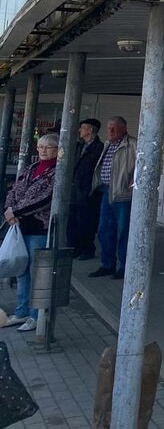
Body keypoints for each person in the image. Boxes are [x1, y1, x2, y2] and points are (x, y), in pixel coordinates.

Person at [3, 133, 59, 331]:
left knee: (37, 273)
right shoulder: (31, 169)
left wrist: (15, 211)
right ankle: (21, 311)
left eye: (49, 147)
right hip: (19, 226)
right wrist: (9, 210)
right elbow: (14, 190)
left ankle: (35, 316)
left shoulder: (56, 173)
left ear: (57, 150)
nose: (43, 150)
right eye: (41, 147)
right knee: (21, 270)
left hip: (38, 228)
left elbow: (43, 199)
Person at [88, 117, 136, 280]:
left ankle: (124, 267)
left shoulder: (132, 145)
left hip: (123, 195)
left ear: (124, 128)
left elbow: (144, 166)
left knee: (124, 231)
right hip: (106, 191)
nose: (110, 131)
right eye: (109, 128)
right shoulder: (108, 145)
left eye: (114, 128)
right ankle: (107, 264)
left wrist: (135, 182)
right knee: (104, 230)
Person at [68, 119, 103, 260]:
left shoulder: (99, 148)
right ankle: (75, 248)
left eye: (82, 128)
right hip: (75, 188)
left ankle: (87, 249)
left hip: (89, 190)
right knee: (73, 221)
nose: (79, 131)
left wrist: (91, 188)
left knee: (86, 222)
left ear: (90, 130)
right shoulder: (80, 146)